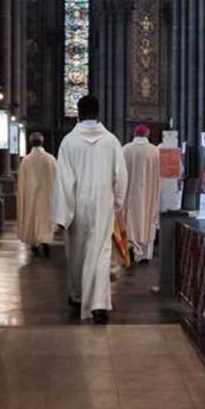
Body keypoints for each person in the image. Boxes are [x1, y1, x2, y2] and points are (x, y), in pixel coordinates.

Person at [51, 95, 128, 324]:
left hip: (77, 204)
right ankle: (100, 305)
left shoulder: (69, 141)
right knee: (101, 253)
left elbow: (63, 179)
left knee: (77, 253)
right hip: (103, 205)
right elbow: (121, 177)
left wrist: (62, 214)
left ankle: (77, 297)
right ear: (98, 113)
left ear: (79, 113)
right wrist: (116, 204)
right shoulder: (111, 141)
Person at [122, 124, 160, 263]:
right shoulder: (155, 151)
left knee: (130, 221)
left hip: (129, 195)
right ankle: (145, 255)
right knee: (147, 220)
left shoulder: (125, 150)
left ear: (134, 134)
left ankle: (130, 252)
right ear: (147, 134)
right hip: (149, 196)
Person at [17, 132, 57, 257]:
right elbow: (57, 178)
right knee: (45, 218)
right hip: (47, 195)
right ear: (42, 142)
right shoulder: (50, 159)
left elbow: (21, 181)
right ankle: (45, 241)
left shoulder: (26, 160)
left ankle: (34, 242)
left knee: (32, 217)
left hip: (30, 195)